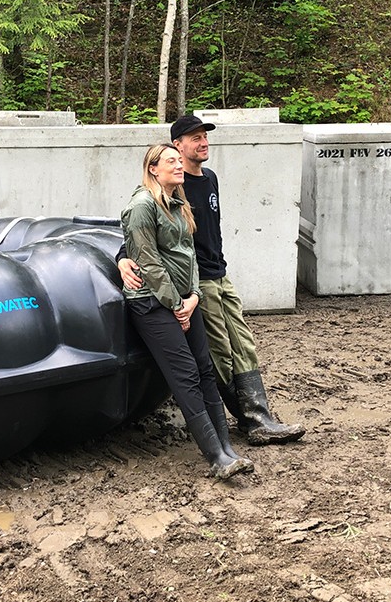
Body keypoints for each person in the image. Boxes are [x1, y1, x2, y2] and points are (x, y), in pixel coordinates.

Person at [118, 115, 305, 446]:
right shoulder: (170, 186)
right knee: (219, 354)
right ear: (177, 146)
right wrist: (122, 260)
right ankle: (247, 420)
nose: (202, 143)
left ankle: (259, 417)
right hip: (196, 283)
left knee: (244, 343)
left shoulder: (210, 179)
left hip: (220, 274)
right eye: (194, 139)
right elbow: (140, 237)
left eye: (204, 137)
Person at [121, 143, 254, 480]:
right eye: (171, 161)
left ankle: (227, 449)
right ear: (153, 168)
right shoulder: (142, 206)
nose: (179, 165)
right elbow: (148, 261)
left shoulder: (178, 204)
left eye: (179, 161)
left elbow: (189, 255)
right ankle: (216, 457)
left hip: (185, 300)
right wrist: (176, 304)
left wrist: (193, 295)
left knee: (205, 369)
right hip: (152, 303)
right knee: (186, 377)